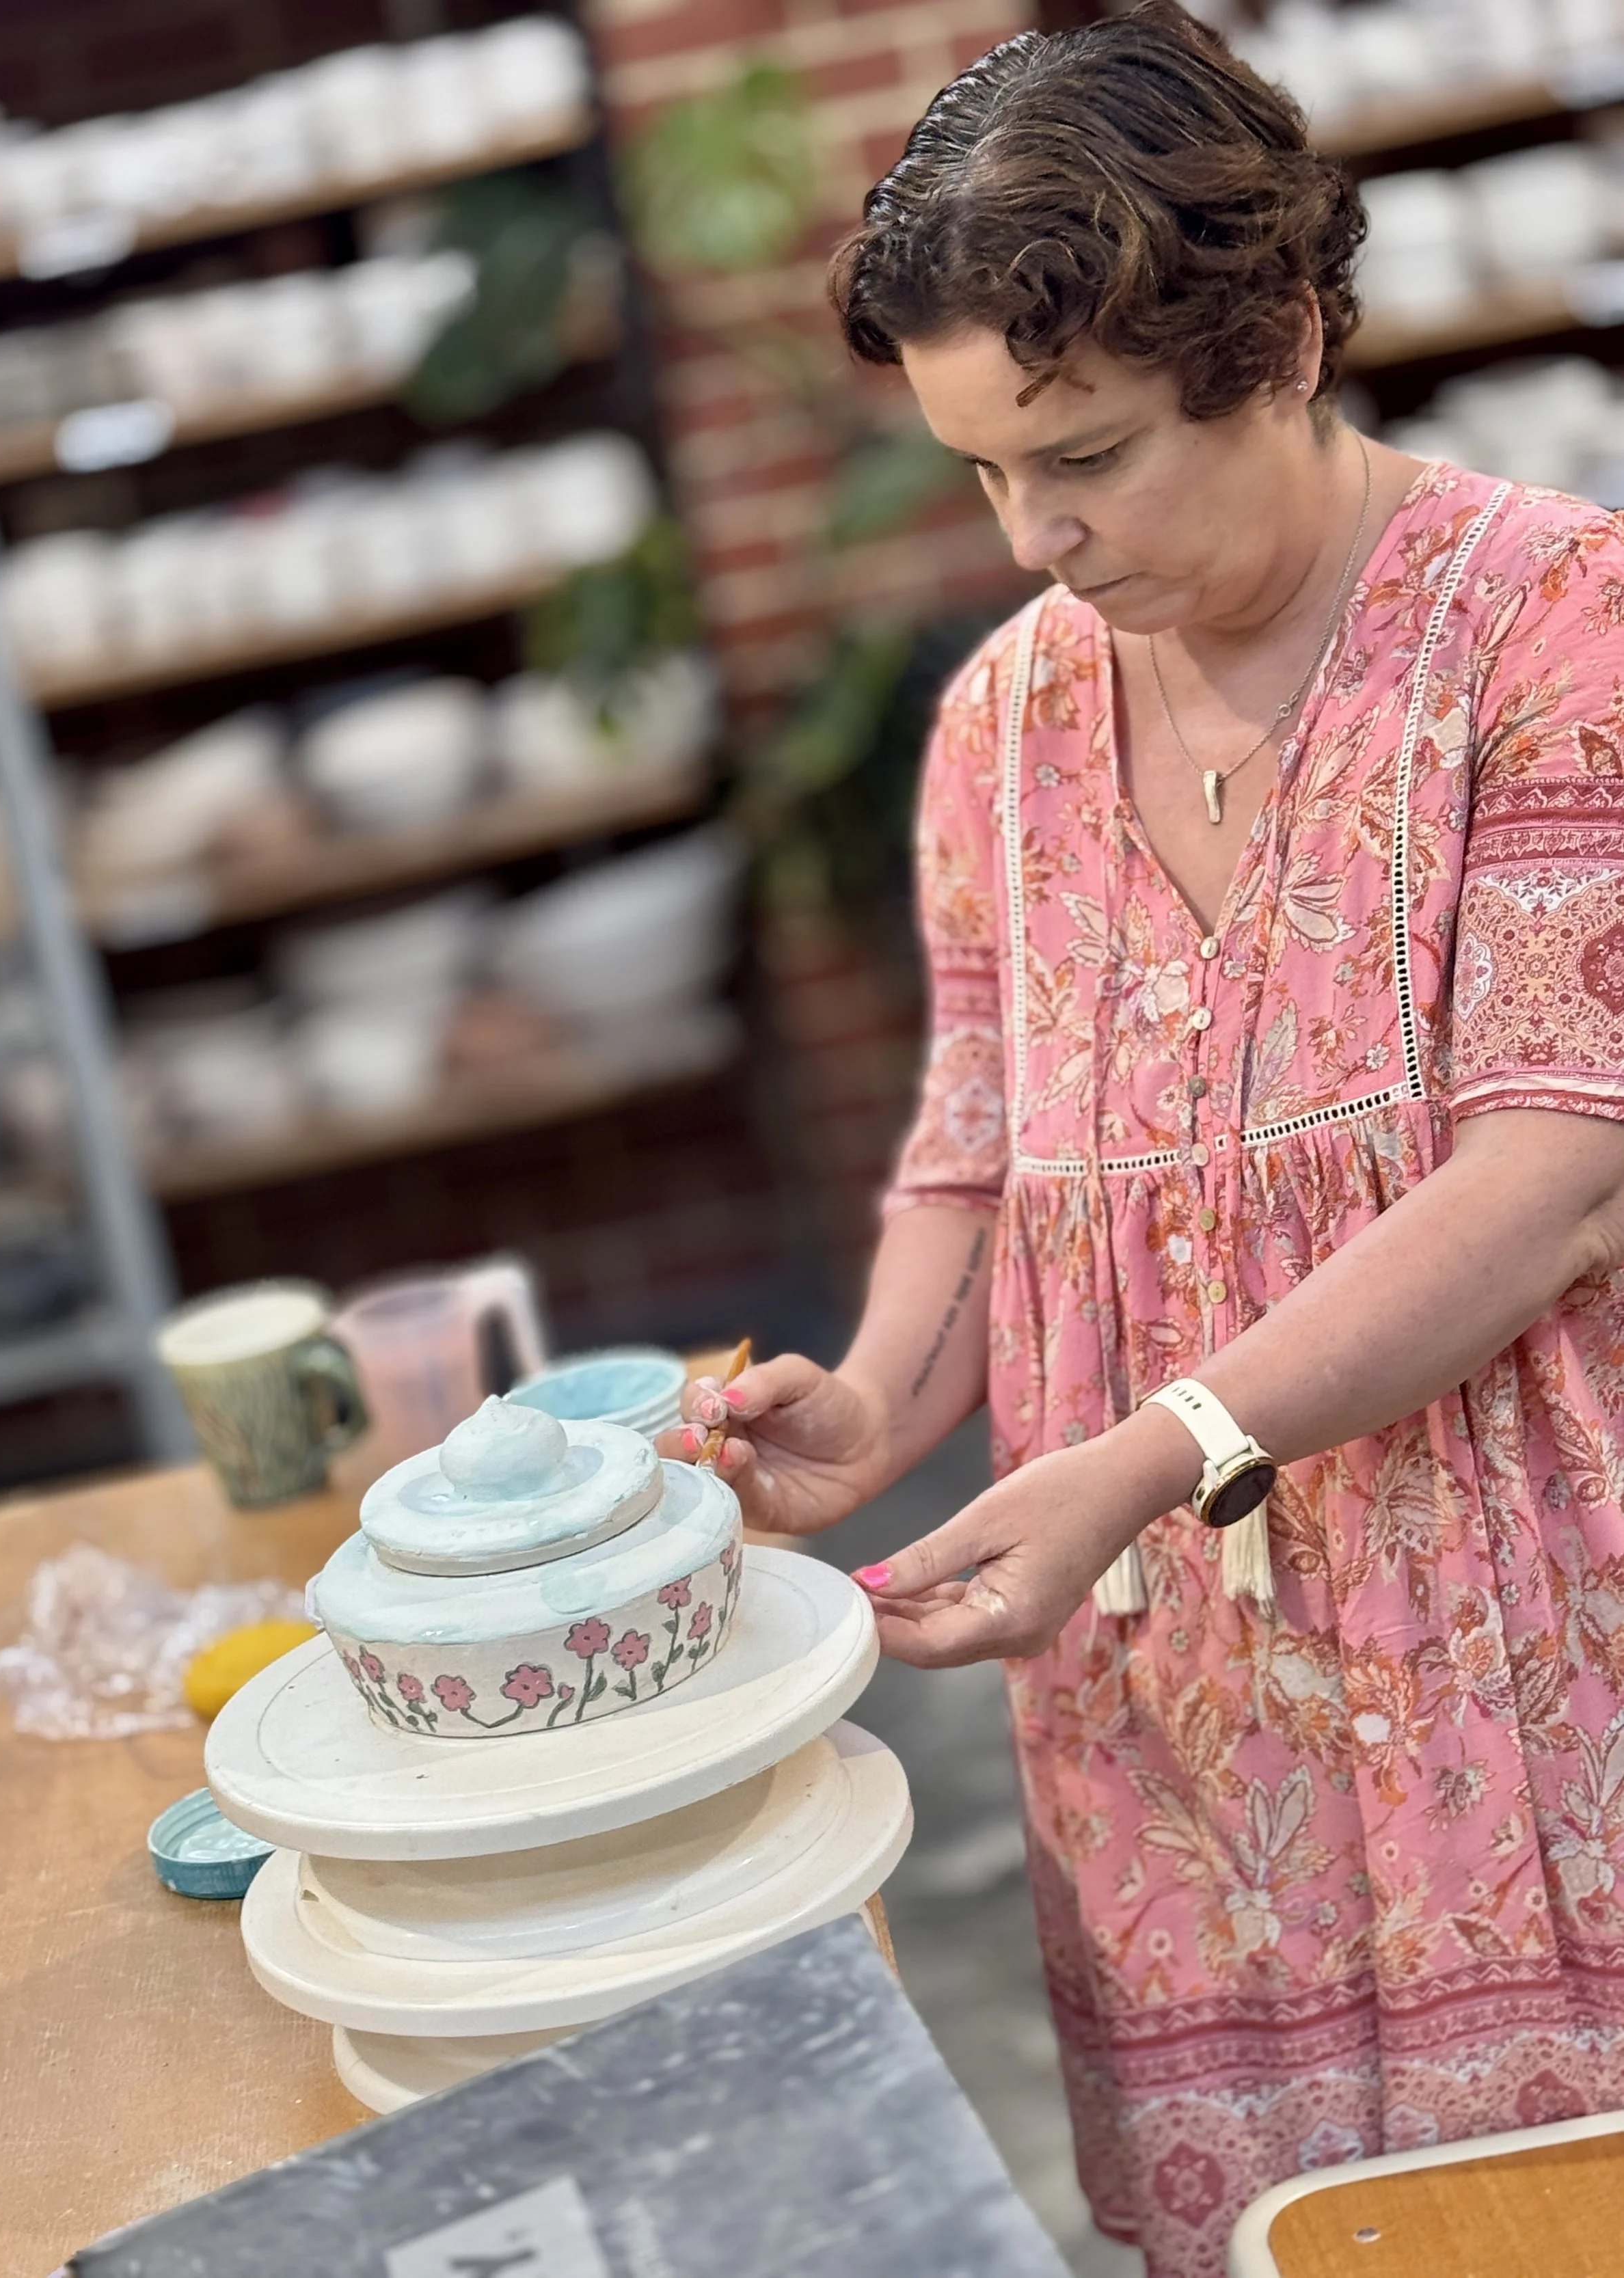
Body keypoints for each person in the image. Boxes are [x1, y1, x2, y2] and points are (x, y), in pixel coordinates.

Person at [662, 5, 1624, 2272]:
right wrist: (881, 1401)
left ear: (1276, 337)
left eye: (1079, 453)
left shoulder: (1551, 628)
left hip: (1542, 1650)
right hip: (1178, 1716)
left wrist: (1155, 1443)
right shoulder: (1004, 719)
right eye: (986, 470)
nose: (1034, 535)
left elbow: (1555, 1164)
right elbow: (982, 1153)